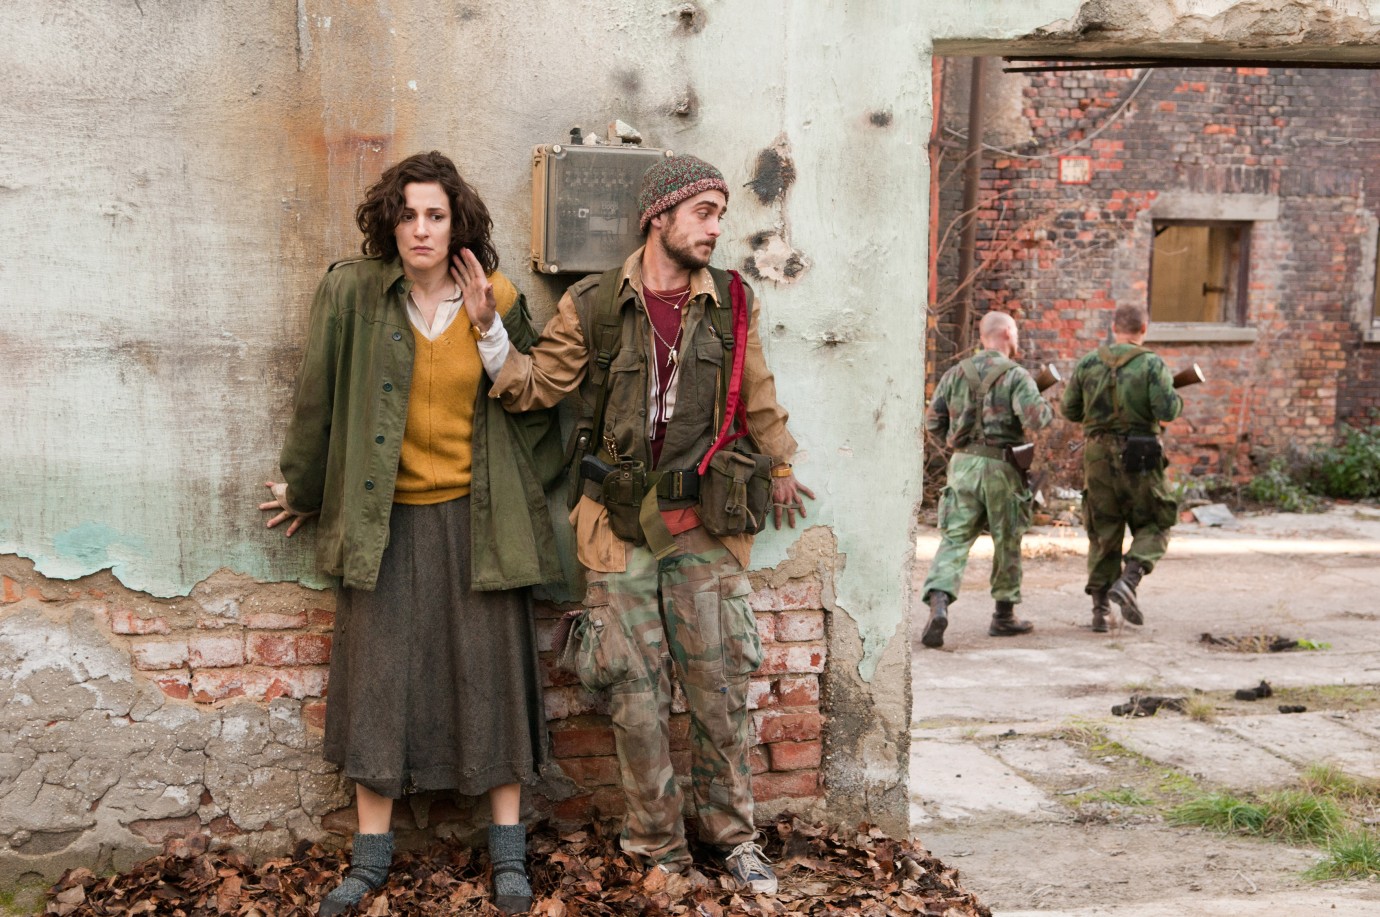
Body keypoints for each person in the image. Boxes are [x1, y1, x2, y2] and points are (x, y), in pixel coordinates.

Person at [454, 154, 812, 893]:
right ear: (660, 217)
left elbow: (759, 395)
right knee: (635, 695)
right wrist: (489, 329)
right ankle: (658, 849)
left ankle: (733, 837)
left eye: (721, 213)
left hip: (705, 525)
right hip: (617, 528)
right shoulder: (590, 306)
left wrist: (779, 464)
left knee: (718, 687)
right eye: (704, 213)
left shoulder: (732, 303)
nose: (717, 227)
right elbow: (528, 387)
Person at [258, 151, 563, 916]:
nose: (420, 229)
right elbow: (316, 399)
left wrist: (491, 327)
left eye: (436, 214)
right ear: (388, 221)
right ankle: (369, 860)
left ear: (458, 222)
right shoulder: (352, 293)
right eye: (408, 213)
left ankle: (508, 852)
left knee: (490, 674)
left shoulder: (497, 296)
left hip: (477, 515)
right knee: (378, 678)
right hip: (381, 519)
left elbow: (534, 403)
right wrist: (303, 487)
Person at [919, 311, 1053, 648]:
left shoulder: (954, 374)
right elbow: (1037, 420)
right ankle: (1004, 616)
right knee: (1007, 539)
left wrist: (960, 435)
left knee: (954, 538)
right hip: (1002, 467)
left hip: (962, 466)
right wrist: (1040, 399)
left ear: (982, 337)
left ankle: (938, 603)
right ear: (1007, 332)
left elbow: (932, 424)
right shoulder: (1017, 376)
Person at [1061, 303, 1183, 631]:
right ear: (1144, 329)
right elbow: (1167, 410)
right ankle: (1129, 580)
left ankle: (1100, 611)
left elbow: (1070, 410)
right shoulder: (1151, 364)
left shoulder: (1088, 363)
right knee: (1156, 522)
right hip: (1140, 455)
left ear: (1114, 327)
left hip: (1097, 456)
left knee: (1103, 530)